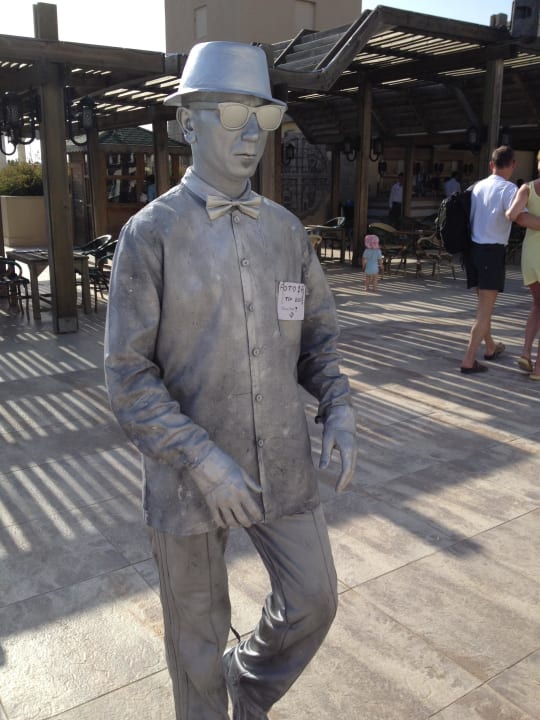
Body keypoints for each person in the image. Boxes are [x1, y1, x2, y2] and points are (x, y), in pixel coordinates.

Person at [104, 41, 357, 720]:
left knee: (313, 598)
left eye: (264, 118)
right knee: (195, 639)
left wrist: (338, 403)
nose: (252, 135)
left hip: (281, 458)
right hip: (187, 476)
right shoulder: (150, 235)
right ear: (188, 122)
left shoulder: (286, 232)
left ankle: (248, 682)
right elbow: (128, 377)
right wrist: (203, 462)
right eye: (233, 115)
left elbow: (316, 338)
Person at [460, 145, 517, 374]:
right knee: (484, 311)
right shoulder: (509, 189)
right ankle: (468, 360)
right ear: (513, 165)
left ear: (491, 164)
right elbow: (516, 215)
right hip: (492, 252)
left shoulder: (477, 186)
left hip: (473, 251)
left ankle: (491, 347)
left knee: (484, 305)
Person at [506, 150, 540, 380]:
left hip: (531, 254)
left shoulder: (527, 188)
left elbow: (512, 214)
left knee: (537, 305)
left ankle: (526, 352)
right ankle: (538, 369)